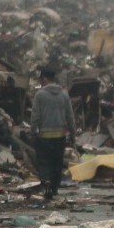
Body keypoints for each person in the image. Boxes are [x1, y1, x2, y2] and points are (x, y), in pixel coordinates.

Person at [30, 66, 75, 203]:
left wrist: (33, 131)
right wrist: (72, 133)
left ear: (44, 79)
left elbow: (35, 116)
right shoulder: (64, 95)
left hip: (44, 136)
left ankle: (46, 184)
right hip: (60, 136)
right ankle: (54, 188)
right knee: (57, 163)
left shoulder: (40, 95)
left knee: (44, 162)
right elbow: (70, 116)